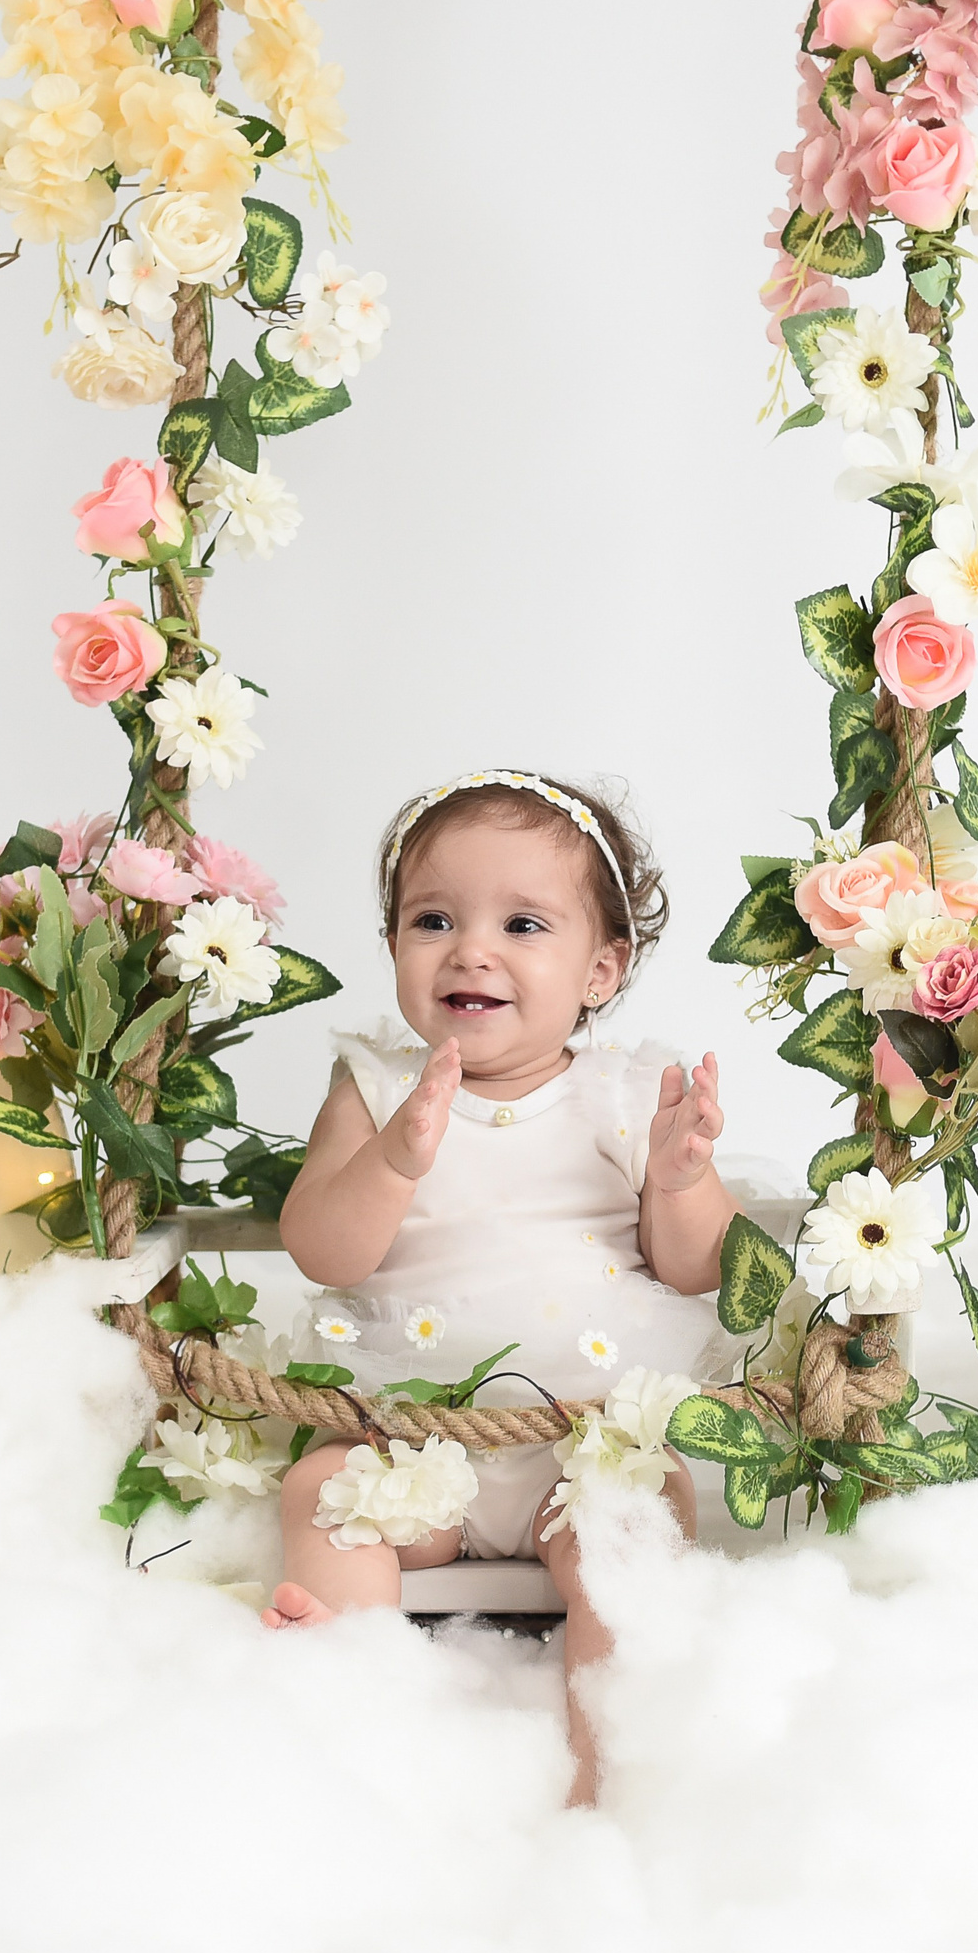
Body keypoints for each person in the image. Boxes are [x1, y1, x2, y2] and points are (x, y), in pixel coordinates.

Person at [267, 769, 740, 1807]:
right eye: (433, 919)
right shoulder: (377, 1088)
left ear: (600, 969)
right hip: (410, 1433)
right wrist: (394, 1159)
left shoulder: (627, 1094)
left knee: (636, 1526)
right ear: (393, 943)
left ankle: (607, 1777)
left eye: (522, 924)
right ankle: (345, 1719)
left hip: (585, 1440)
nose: (470, 949)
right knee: (325, 1492)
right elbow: (322, 1250)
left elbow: (698, 1267)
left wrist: (681, 1179)